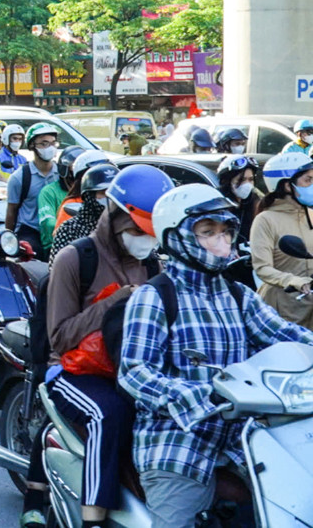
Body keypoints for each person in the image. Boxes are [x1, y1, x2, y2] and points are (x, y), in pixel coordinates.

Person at [120, 184, 313, 528]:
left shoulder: (239, 295)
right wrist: (198, 395)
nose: (220, 241)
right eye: (207, 232)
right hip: (178, 440)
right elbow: (135, 371)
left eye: (225, 231)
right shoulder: (154, 297)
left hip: (245, 440)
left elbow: (290, 336)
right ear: (177, 238)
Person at [20, 164, 173, 528]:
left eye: (150, 233)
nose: (144, 240)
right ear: (117, 219)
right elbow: (60, 335)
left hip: (126, 366)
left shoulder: (151, 263)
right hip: (73, 368)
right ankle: (92, 517)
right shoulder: (76, 258)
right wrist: (114, 301)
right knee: (109, 413)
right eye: (137, 230)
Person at [250, 153, 313, 328]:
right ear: (287, 185)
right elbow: (262, 268)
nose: (312, 185)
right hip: (284, 307)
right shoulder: (266, 220)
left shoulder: (310, 214)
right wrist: (292, 280)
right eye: (308, 180)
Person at [5, 123, 61, 258]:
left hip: (56, 228)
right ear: (32, 146)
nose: (50, 148)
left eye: (53, 143)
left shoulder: (62, 174)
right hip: (30, 230)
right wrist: (8, 241)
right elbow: (11, 210)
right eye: (44, 144)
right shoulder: (19, 178)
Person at [50, 163, 118, 263]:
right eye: (103, 193)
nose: (109, 198)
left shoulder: (125, 228)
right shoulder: (69, 229)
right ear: (89, 196)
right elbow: (57, 269)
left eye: (113, 193)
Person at [38, 146, 85, 254]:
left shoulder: (89, 193)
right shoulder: (48, 192)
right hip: (56, 246)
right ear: (64, 169)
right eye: (74, 166)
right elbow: (48, 223)